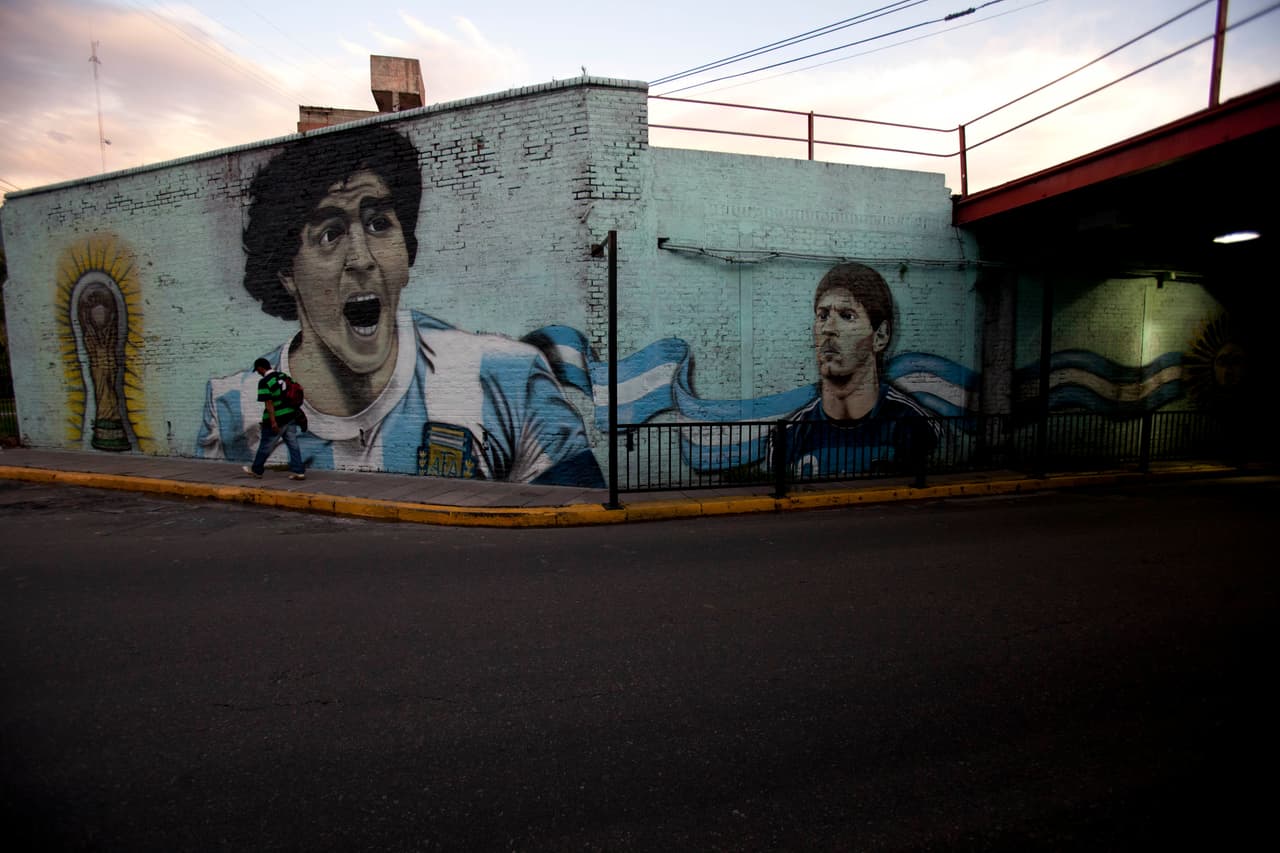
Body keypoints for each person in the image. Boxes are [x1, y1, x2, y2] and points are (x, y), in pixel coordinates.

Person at [197, 123, 604, 488]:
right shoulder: (231, 407)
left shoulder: (506, 379)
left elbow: (573, 516)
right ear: (287, 272)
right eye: (329, 234)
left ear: (406, 251)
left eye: (379, 224)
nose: (361, 259)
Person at [771, 262, 938, 478]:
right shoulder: (790, 434)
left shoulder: (913, 425)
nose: (828, 328)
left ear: (880, 336)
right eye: (822, 315)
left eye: (847, 316)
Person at [242, 357, 307, 480]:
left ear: (261, 368)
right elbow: (299, 388)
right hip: (291, 415)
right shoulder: (282, 376)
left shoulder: (264, 382)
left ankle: (257, 470)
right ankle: (298, 471)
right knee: (293, 444)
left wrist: (273, 421)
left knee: (266, 445)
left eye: (258, 370)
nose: (258, 373)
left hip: (278, 418)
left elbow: (269, 403)